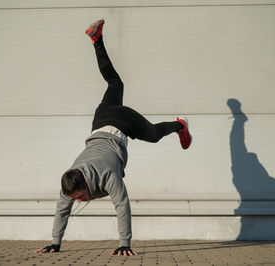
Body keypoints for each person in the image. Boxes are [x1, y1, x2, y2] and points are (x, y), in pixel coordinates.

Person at [34, 19, 192, 256]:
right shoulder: (70, 181)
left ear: (85, 184)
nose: (78, 201)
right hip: (100, 121)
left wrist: (124, 244)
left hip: (121, 121)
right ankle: (97, 40)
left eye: (79, 196)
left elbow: (122, 205)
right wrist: (55, 243)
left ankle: (179, 125)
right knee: (115, 82)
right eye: (75, 198)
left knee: (154, 135)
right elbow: (61, 211)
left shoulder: (108, 175)